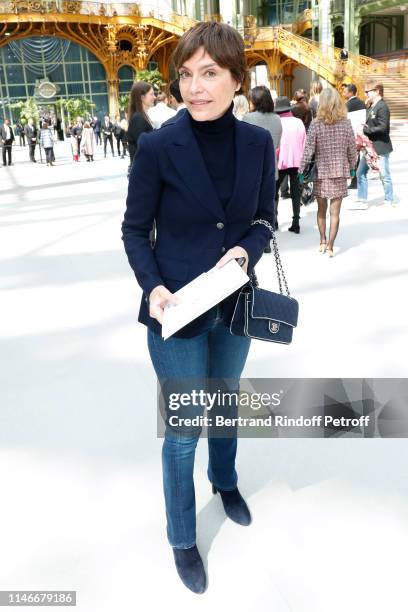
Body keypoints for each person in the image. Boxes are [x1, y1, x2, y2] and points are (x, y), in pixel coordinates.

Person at [121, 21, 275, 594]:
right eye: (186, 74)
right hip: (175, 312)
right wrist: (153, 288)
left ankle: (225, 480)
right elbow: (135, 231)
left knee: (227, 403)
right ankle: (183, 538)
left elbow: (263, 218)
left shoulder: (260, 142)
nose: (195, 87)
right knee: (185, 429)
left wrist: (246, 247)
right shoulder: (159, 146)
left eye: (210, 73)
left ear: (238, 79)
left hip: (235, 304)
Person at [299, 87, 356, 257]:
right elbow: (351, 149)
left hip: (322, 172)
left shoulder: (316, 124)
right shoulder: (346, 123)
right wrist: (352, 167)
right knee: (335, 213)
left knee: (321, 210)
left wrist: (302, 169)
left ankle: (322, 241)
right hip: (339, 172)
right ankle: (331, 246)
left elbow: (308, 149)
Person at [242, 85, 281, 246]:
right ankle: (269, 233)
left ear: (254, 100)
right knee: (269, 203)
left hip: (252, 170)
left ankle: (260, 240)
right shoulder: (277, 119)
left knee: (255, 207)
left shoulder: (248, 118)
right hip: (272, 168)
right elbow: (277, 143)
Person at [355, 81, 394, 208]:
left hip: (380, 146)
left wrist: (367, 130)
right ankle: (362, 199)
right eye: (366, 91)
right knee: (360, 172)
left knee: (384, 174)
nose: (366, 93)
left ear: (377, 91)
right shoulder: (372, 106)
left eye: (368, 91)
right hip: (370, 146)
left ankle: (389, 200)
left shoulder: (382, 107)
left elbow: (384, 127)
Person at [274, 96, 306, 234]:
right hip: (297, 162)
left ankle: (274, 222)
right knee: (296, 192)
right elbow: (304, 142)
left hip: (280, 162)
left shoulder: (276, 123)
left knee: (274, 193)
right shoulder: (298, 122)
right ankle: (296, 222)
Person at [126, 81, 154, 167]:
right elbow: (143, 147)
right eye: (151, 94)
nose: (154, 97)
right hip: (142, 169)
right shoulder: (138, 118)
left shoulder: (140, 116)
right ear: (142, 97)